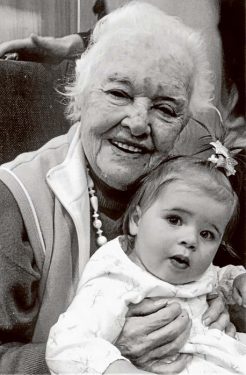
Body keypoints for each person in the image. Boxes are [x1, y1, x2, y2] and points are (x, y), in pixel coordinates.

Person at [0, 2, 237, 374]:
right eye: (119, 94)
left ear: (183, 124)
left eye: (165, 108)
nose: (139, 123)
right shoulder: (14, 198)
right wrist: (109, 351)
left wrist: (216, 308)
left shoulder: (183, 190)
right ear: (80, 96)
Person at [46, 153, 246, 374]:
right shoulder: (116, 279)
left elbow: (215, 276)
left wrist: (237, 280)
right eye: (174, 220)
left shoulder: (194, 272)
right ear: (136, 220)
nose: (191, 240)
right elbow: (66, 344)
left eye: (207, 234)